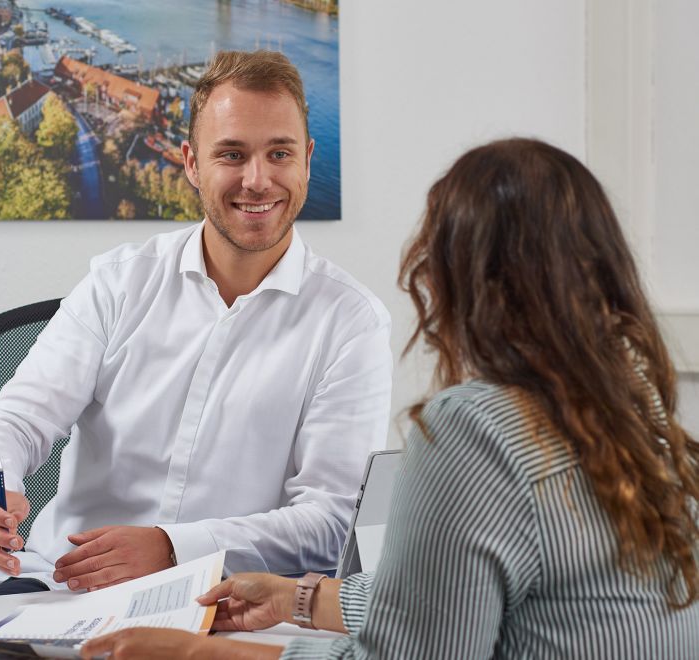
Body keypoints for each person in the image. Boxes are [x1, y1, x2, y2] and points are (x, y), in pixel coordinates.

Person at [80, 138, 699, 659]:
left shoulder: (474, 430)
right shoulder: (638, 408)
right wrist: (301, 598)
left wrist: (197, 652)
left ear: (457, 277)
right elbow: (452, 593)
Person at [0, 50, 393, 596]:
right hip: (66, 592)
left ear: (306, 160)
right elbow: (12, 422)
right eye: (231, 154)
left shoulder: (351, 323)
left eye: (280, 153)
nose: (258, 180)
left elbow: (332, 523)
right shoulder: (117, 284)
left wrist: (173, 548)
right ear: (191, 164)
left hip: (232, 609)